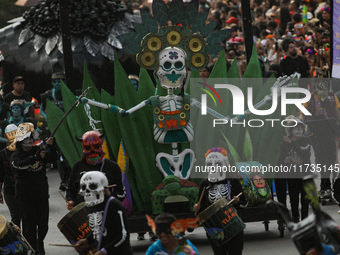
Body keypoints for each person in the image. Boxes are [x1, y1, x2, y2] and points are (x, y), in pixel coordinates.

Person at [10, 122, 57, 255]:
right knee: (30, 223)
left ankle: (39, 243)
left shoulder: (40, 151)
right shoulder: (16, 156)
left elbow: (52, 158)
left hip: (41, 193)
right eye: (25, 137)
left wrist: (51, 147)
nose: (29, 140)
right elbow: (18, 166)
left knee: (43, 224)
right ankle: (31, 247)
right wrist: (35, 158)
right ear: (20, 140)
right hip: (25, 195)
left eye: (30, 137)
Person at [193, 147, 246, 255]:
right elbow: (202, 208)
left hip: (233, 226)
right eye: (210, 164)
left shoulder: (233, 181)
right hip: (215, 228)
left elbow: (245, 202)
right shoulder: (204, 184)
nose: (214, 167)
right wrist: (197, 208)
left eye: (217, 164)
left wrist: (238, 201)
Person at [75, 171, 133, 255]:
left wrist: (104, 251)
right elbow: (98, 229)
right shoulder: (90, 206)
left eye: (92, 186)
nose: (87, 191)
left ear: (103, 187)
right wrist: (87, 240)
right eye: (84, 187)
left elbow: (123, 235)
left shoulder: (114, 205)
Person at [66, 130, 126, 210]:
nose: (92, 151)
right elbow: (71, 189)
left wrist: (109, 194)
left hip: (107, 211)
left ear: (101, 146)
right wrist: (70, 200)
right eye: (88, 148)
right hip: (84, 213)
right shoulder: (78, 166)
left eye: (96, 147)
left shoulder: (113, 167)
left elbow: (122, 194)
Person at [301, 79, 340, 196]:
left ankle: (334, 185)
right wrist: (300, 124)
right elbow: (303, 113)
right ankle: (325, 185)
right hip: (316, 133)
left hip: (331, 132)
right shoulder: (309, 98)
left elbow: (337, 112)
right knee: (321, 159)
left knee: (333, 159)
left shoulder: (332, 97)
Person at [40, 72, 70, 191]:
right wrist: (47, 117)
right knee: (59, 155)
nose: (57, 84)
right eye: (55, 82)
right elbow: (42, 109)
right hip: (55, 130)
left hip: (67, 129)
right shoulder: (47, 95)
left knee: (68, 155)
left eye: (60, 81)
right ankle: (63, 180)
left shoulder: (68, 94)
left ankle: (70, 179)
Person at [277, 116, 311, 222]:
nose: (299, 130)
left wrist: (291, 143)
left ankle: (305, 219)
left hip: (305, 173)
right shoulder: (285, 143)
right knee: (293, 198)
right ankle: (295, 216)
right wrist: (284, 160)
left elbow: (305, 153)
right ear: (291, 130)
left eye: (301, 128)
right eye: (296, 128)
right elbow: (281, 156)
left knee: (305, 198)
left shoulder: (306, 140)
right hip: (292, 174)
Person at [0, 124, 24, 229]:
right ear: (5, 137)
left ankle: (29, 242)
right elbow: (1, 174)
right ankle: (17, 243)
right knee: (16, 216)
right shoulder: (2, 154)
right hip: (9, 189)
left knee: (26, 216)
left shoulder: (23, 151)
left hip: (23, 189)